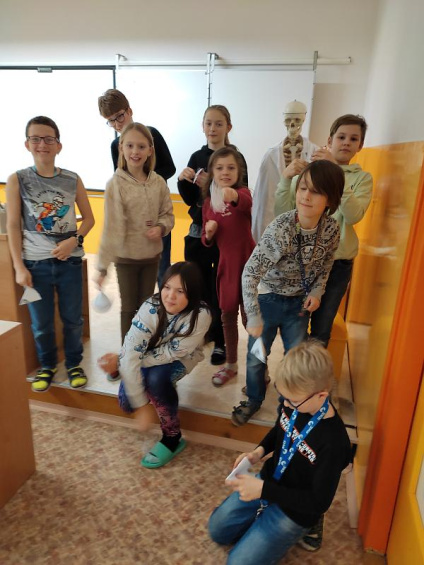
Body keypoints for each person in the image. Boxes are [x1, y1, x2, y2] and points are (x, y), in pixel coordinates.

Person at [208, 340, 351, 565]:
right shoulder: (295, 401)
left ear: (321, 396)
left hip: (296, 509)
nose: (286, 405)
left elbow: (319, 502)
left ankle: (311, 526)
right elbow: (281, 428)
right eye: (283, 397)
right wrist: (258, 452)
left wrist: (263, 490)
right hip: (269, 481)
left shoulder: (334, 442)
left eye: (292, 401)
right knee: (217, 530)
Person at [232, 160, 344, 426]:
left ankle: (290, 403)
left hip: (299, 307)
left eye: (316, 191)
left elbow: (326, 264)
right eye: (302, 188)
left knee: (295, 359)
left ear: (330, 199)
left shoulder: (331, 229)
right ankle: (254, 398)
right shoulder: (280, 228)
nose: (306, 196)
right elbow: (250, 273)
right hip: (268, 301)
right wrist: (253, 316)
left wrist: (317, 291)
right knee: (257, 357)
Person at [6, 116, 95, 392]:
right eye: (36, 139)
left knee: (73, 319)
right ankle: (47, 367)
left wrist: (74, 241)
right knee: (41, 323)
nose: (42, 144)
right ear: (27, 144)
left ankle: (74, 364)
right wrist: (19, 267)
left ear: (59, 145)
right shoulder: (17, 179)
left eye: (48, 139)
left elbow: (89, 219)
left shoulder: (72, 179)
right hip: (35, 265)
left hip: (69, 262)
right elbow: (12, 225)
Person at [98, 262, 211, 468]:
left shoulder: (201, 315)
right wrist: (140, 404)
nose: (170, 296)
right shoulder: (150, 308)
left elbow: (172, 352)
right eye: (167, 287)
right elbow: (132, 350)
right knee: (127, 403)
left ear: (193, 293)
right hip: (149, 353)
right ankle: (141, 379)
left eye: (180, 291)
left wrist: (125, 361)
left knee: (156, 380)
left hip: (181, 358)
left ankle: (172, 436)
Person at [275, 114, 373, 346]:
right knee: (295, 323)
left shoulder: (363, 178)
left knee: (322, 326)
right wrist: (286, 179)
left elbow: (353, 215)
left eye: (353, 139)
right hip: (303, 259)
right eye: (341, 137)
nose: (346, 142)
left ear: (360, 146)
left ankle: (314, 368)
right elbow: (283, 212)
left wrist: (336, 171)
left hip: (338, 263)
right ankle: (296, 366)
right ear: (329, 140)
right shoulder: (312, 173)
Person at [177, 105, 249, 368]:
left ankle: (220, 341)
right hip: (199, 232)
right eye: (208, 123)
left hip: (225, 238)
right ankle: (199, 336)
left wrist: (213, 183)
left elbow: (241, 196)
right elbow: (190, 199)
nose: (212, 128)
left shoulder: (235, 158)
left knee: (222, 292)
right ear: (202, 126)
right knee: (197, 288)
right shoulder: (196, 156)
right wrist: (183, 180)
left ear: (228, 127)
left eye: (218, 123)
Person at [95, 122, 174, 348]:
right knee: (129, 309)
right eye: (129, 145)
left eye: (141, 146)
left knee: (146, 308)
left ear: (150, 150)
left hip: (151, 258)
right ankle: (127, 355)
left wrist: (161, 228)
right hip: (126, 259)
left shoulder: (158, 183)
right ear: (121, 148)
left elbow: (168, 215)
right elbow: (111, 228)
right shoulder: (115, 185)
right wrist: (102, 267)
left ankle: (143, 351)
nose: (135, 151)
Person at [98, 89, 176, 287]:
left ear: (129, 111)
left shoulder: (151, 134)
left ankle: (163, 305)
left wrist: (147, 183)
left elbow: (170, 168)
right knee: (134, 276)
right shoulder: (115, 145)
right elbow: (121, 179)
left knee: (161, 269)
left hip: (157, 214)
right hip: (133, 222)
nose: (117, 124)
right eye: (111, 121)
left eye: (119, 116)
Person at [201, 146, 255, 386]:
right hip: (227, 267)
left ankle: (259, 370)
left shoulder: (242, 193)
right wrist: (209, 233)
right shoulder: (208, 203)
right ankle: (231, 365)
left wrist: (234, 196)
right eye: (220, 168)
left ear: (239, 171)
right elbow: (206, 238)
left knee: (251, 320)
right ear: (212, 172)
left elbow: (246, 203)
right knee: (227, 316)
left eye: (231, 168)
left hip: (249, 267)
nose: (225, 172)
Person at [252, 100, 318, 242]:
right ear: (283, 121)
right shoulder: (271, 155)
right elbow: (264, 198)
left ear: (304, 119)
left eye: (297, 120)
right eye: (288, 120)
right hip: (276, 221)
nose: (292, 125)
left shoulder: (315, 152)